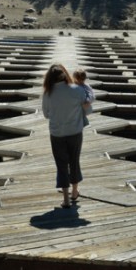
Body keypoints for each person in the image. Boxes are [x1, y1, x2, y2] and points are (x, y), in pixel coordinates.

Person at [42, 64, 90, 208]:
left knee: (61, 164)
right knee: (74, 160)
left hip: (57, 134)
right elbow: (87, 108)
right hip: (75, 131)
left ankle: (66, 199)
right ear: (65, 75)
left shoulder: (47, 93)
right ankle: (75, 191)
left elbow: (46, 114)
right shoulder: (77, 89)